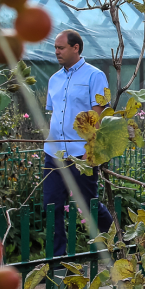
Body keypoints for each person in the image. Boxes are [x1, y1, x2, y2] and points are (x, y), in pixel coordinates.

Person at [43, 30, 114, 256]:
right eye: (55, 48)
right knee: (51, 206)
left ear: (76, 48)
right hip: (54, 154)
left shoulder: (95, 76)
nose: (56, 52)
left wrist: (90, 150)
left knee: (88, 205)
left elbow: (98, 116)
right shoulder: (54, 79)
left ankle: (117, 240)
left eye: (61, 48)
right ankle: (57, 259)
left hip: (80, 153)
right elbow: (54, 114)